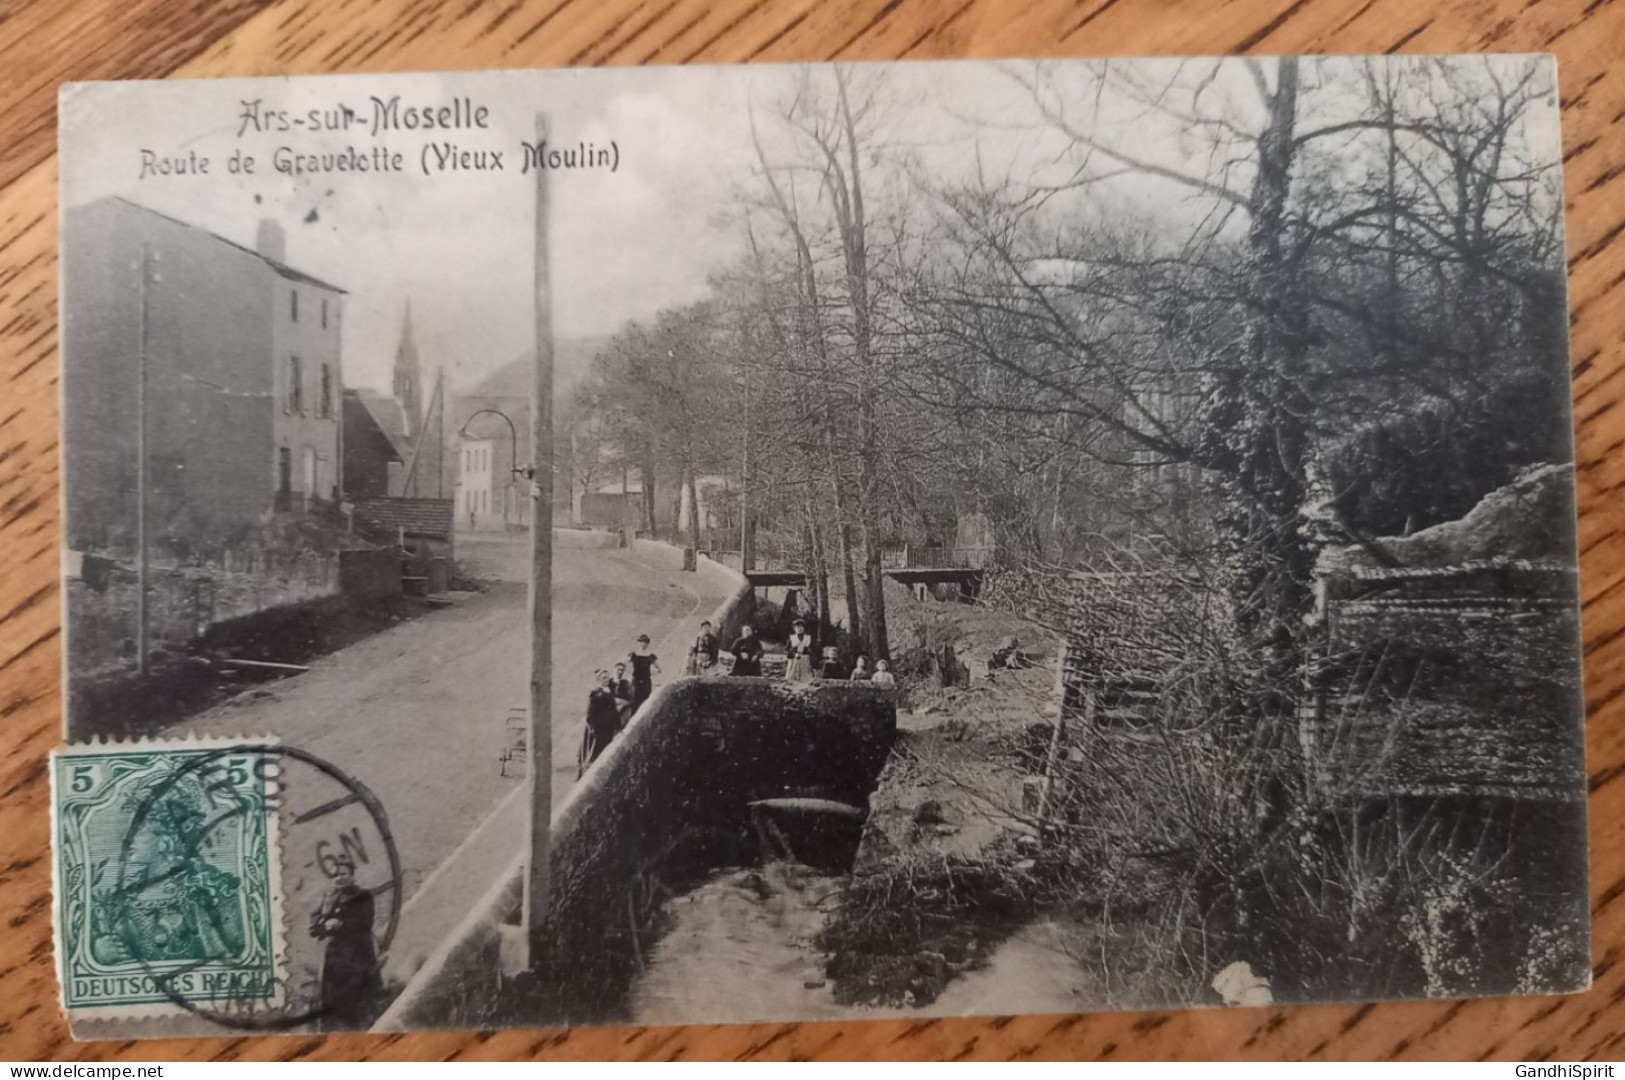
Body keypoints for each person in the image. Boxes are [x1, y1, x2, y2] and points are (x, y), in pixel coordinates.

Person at [309, 854, 382, 1031]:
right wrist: (325, 921)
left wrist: (339, 924)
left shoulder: (363, 896)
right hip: (336, 960)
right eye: (336, 875)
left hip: (358, 955)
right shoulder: (330, 898)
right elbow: (314, 929)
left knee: (358, 1004)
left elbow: (365, 923)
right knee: (334, 1006)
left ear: (352, 875)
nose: (339, 878)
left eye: (343, 873)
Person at [578, 670, 621, 777]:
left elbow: (614, 710)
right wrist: (592, 727)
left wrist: (618, 724)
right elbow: (590, 713)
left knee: (607, 748)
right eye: (604, 678)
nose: (606, 680)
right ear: (599, 680)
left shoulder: (609, 691)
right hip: (599, 727)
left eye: (607, 677)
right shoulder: (596, 693)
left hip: (609, 726)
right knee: (596, 750)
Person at [628, 634, 660, 713]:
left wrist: (649, 674)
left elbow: (659, 669)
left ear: (648, 644)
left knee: (646, 702)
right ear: (638, 643)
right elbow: (623, 665)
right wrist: (631, 673)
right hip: (635, 682)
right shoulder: (633, 655)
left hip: (646, 682)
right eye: (641, 642)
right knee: (634, 701)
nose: (643, 644)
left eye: (645, 642)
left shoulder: (650, 656)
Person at [610, 661, 635, 730]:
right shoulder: (608, 683)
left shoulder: (625, 684)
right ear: (613, 670)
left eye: (622, 670)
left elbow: (631, 701)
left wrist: (621, 703)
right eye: (618, 670)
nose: (620, 672)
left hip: (622, 713)